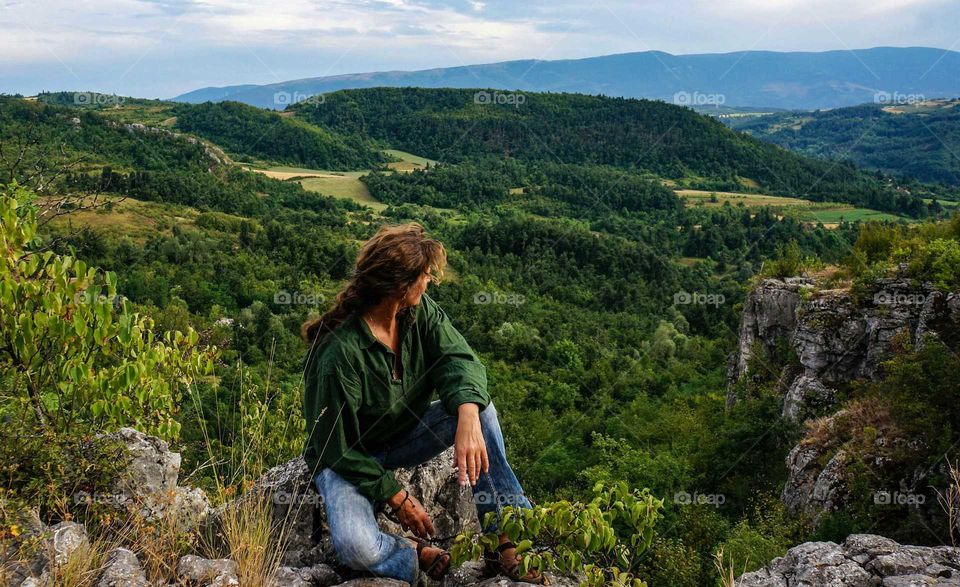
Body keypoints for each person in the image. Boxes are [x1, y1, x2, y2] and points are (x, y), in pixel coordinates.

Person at [300, 222, 545, 584]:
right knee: (356, 547)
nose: (430, 280)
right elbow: (332, 447)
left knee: (481, 410)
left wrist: (467, 414)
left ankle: (504, 538)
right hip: (348, 456)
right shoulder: (340, 352)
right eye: (425, 275)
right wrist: (395, 495)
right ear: (400, 285)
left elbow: (458, 359)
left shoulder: (417, 313)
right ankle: (410, 552)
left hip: (400, 437)